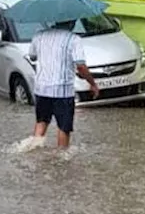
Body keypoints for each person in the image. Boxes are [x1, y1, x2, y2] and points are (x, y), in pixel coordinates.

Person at [26, 20, 100, 149]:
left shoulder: (39, 35)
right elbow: (81, 66)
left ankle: (34, 151)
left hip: (42, 89)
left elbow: (32, 56)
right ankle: (61, 158)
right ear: (72, 23)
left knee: (41, 122)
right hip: (63, 91)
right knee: (63, 127)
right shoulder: (73, 39)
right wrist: (92, 83)